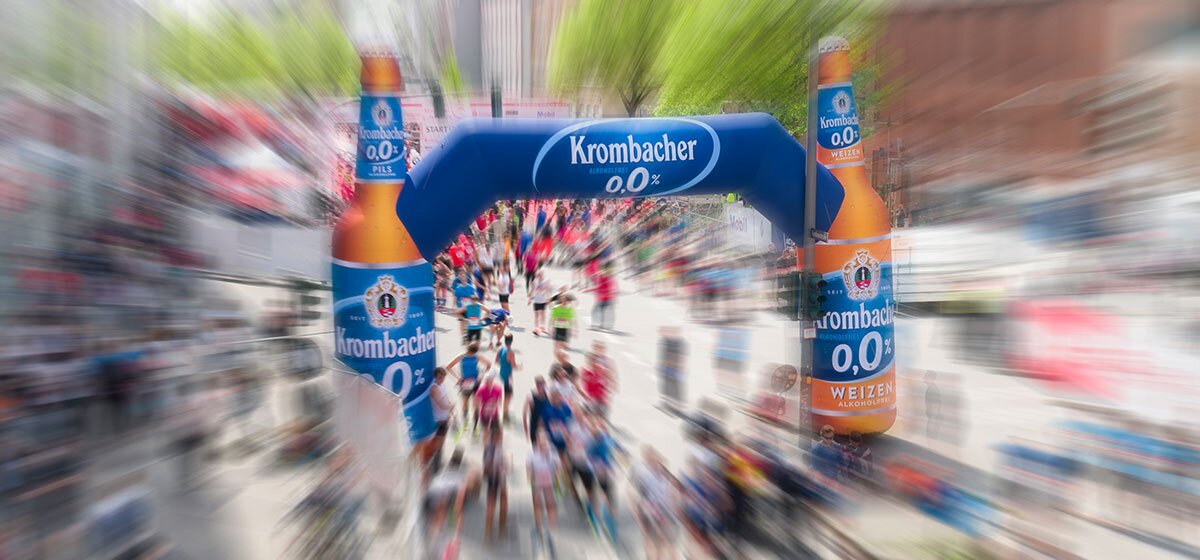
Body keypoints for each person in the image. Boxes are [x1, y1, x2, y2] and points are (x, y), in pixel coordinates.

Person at [631, 448, 678, 560]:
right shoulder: (643, 475)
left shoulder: (665, 473)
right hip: (652, 511)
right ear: (647, 460)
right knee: (658, 543)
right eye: (652, 460)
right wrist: (641, 515)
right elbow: (639, 496)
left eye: (658, 460)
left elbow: (674, 489)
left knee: (669, 543)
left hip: (666, 511)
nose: (658, 463)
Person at [445, 343, 492, 434]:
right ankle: (466, 422)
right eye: (470, 353)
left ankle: (475, 426)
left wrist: (481, 377)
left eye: (472, 354)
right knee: (465, 404)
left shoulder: (476, 356)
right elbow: (448, 367)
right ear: (468, 350)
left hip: (475, 383)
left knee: (476, 405)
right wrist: (458, 378)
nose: (471, 355)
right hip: (465, 384)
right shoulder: (461, 356)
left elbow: (489, 364)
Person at [528, 432, 561, 549]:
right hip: (537, 484)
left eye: (545, 441)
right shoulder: (533, 453)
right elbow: (529, 466)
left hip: (549, 484)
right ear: (537, 442)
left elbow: (558, 466)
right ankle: (538, 527)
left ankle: (551, 530)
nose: (543, 444)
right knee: (537, 505)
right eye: (541, 442)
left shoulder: (552, 453)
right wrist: (530, 479)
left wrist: (557, 479)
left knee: (551, 506)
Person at [482, 427, 509, 542]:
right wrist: (502, 464)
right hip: (495, 479)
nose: (502, 438)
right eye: (501, 435)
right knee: (493, 507)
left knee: (500, 503)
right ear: (496, 436)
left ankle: (496, 531)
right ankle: (493, 533)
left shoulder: (494, 447)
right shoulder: (491, 448)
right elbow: (488, 465)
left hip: (497, 478)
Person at [428, 367, 455, 475]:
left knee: (441, 443)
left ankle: (438, 464)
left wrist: (451, 413)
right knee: (437, 445)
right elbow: (441, 404)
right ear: (435, 376)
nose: (442, 380)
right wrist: (451, 407)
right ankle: (435, 468)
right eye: (440, 377)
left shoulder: (442, 385)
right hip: (438, 420)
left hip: (444, 419)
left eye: (443, 378)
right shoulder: (434, 388)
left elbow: (446, 400)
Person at [658, 326, 687, 413]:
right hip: (670, 368)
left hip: (672, 368)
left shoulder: (676, 342)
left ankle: (675, 404)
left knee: (673, 386)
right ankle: (672, 403)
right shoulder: (666, 341)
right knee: (671, 386)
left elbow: (681, 356)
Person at [582, 344, 615, 419]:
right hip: (589, 399)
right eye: (589, 359)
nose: (591, 361)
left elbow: (610, 377)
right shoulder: (584, 370)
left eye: (593, 360)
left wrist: (609, 393)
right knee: (589, 418)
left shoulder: (601, 369)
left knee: (601, 419)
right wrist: (583, 394)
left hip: (601, 399)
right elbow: (579, 384)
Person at [494, 334, 519, 422]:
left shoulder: (500, 349)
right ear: (512, 341)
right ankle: (504, 414)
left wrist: (503, 363)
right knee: (508, 395)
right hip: (507, 376)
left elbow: (496, 361)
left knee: (506, 393)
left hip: (501, 374)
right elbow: (513, 365)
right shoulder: (511, 352)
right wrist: (519, 367)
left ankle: (504, 411)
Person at [475, 372, 504, 438]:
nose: (489, 381)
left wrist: (494, 405)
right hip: (484, 414)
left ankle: (497, 446)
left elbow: (500, 401)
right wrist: (483, 406)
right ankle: (486, 446)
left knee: (498, 431)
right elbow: (476, 400)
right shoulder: (481, 389)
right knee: (485, 431)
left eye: (491, 380)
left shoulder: (498, 389)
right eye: (488, 380)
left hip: (494, 414)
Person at [523, 376, 551, 444]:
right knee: (535, 448)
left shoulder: (548, 395)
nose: (542, 387)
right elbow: (524, 414)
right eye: (540, 385)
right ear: (537, 385)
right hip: (534, 427)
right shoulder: (530, 397)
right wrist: (526, 432)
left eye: (543, 385)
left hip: (545, 427)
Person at [589, 264, 617, 331]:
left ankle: (596, 325)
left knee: (595, 311)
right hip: (607, 298)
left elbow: (599, 287)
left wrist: (588, 290)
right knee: (603, 312)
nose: (600, 272)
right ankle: (603, 325)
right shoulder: (606, 278)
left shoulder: (604, 278)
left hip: (604, 299)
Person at [529, 269, 551, 336]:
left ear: (543, 274)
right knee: (536, 315)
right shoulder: (535, 281)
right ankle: (536, 328)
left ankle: (542, 327)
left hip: (543, 300)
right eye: (538, 274)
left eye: (541, 274)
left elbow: (548, 289)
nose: (540, 276)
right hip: (536, 300)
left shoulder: (546, 280)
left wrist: (548, 298)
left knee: (543, 315)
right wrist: (530, 299)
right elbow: (532, 290)